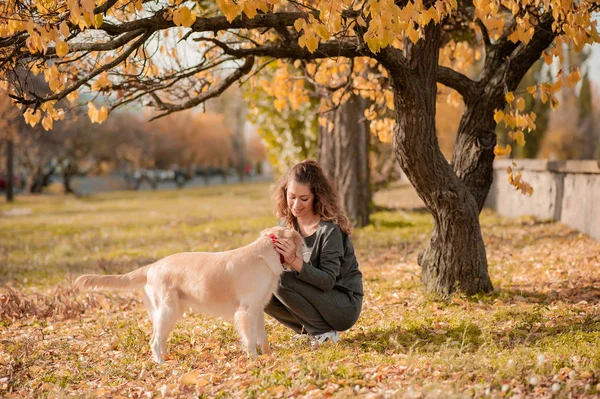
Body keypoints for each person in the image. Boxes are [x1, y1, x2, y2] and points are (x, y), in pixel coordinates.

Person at [266, 160, 363, 347]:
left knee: (281, 280)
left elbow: (327, 281)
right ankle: (308, 331)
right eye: (292, 196)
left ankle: (323, 334)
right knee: (262, 287)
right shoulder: (286, 227)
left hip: (342, 305)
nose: (296, 205)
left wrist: (294, 261)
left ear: (317, 197)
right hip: (316, 299)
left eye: (304, 199)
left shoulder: (329, 231)